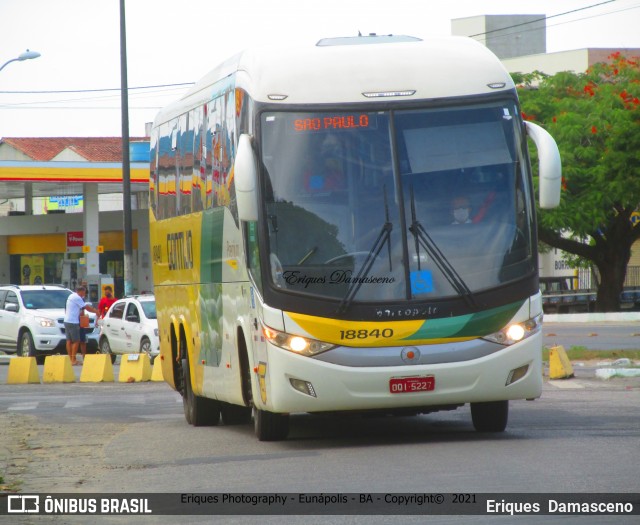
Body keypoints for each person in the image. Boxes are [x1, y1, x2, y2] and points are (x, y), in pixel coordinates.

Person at [64, 286, 98, 365]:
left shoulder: (71, 296)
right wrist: (95, 311)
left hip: (67, 320)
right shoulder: (77, 297)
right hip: (73, 322)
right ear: (81, 291)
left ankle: (70, 359)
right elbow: (86, 307)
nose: (84, 294)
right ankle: (73, 360)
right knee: (76, 341)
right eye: (84, 292)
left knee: (69, 341)